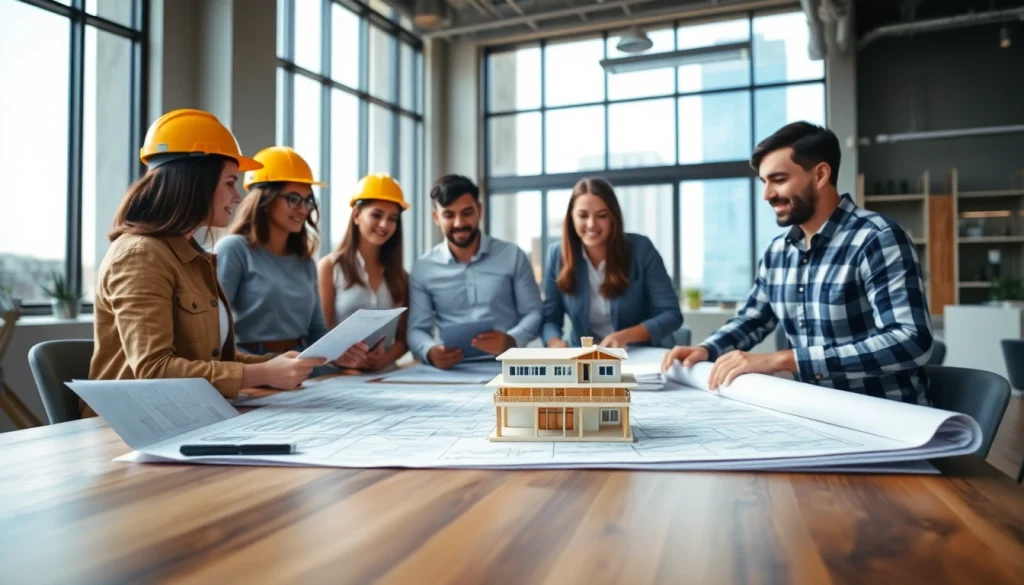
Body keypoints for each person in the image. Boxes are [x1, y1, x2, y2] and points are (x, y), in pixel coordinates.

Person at [662, 121, 933, 404]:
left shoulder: (877, 239)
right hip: (813, 410)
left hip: (886, 417)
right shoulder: (778, 252)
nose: (767, 195)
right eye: (764, 182)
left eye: (778, 180)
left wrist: (784, 360)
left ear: (820, 175)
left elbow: (912, 342)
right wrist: (706, 349)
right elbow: (752, 320)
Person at [87, 109, 324, 418]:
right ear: (197, 183)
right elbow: (154, 370)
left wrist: (270, 365)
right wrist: (262, 374)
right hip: (131, 425)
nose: (238, 197)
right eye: (229, 183)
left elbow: (210, 357)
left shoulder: (192, 257)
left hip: (186, 414)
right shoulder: (140, 255)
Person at [214, 145, 342, 378]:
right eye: (293, 199)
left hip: (301, 370)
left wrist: (342, 351)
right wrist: (265, 369)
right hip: (254, 372)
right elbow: (214, 333)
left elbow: (316, 330)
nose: (303, 209)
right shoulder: (235, 250)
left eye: (308, 200)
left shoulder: (305, 261)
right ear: (265, 199)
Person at [407, 174, 542, 369]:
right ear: (436, 217)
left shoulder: (512, 255)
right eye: (448, 215)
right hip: (451, 371)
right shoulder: (423, 268)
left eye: (467, 212)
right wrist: (430, 351)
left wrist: (511, 340)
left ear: (479, 210)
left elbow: (534, 313)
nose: (459, 223)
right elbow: (417, 329)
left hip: (508, 366)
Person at [542, 177, 682, 349]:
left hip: (640, 352)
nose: (591, 224)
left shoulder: (641, 249)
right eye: (583, 215)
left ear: (613, 217)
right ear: (571, 218)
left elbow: (671, 314)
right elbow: (550, 319)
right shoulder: (557, 255)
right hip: (585, 358)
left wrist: (626, 336)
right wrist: (555, 342)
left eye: (602, 215)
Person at [316, 173, 410, 372]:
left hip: (386, 375)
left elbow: (403, 339)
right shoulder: (330, 267)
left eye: (392, 219)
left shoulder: (401, 277)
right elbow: (321, 334)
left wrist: (383, 359)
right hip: (341, 376)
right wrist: (347, 358)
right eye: (376, 215)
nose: (384, 224)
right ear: (356, 215)